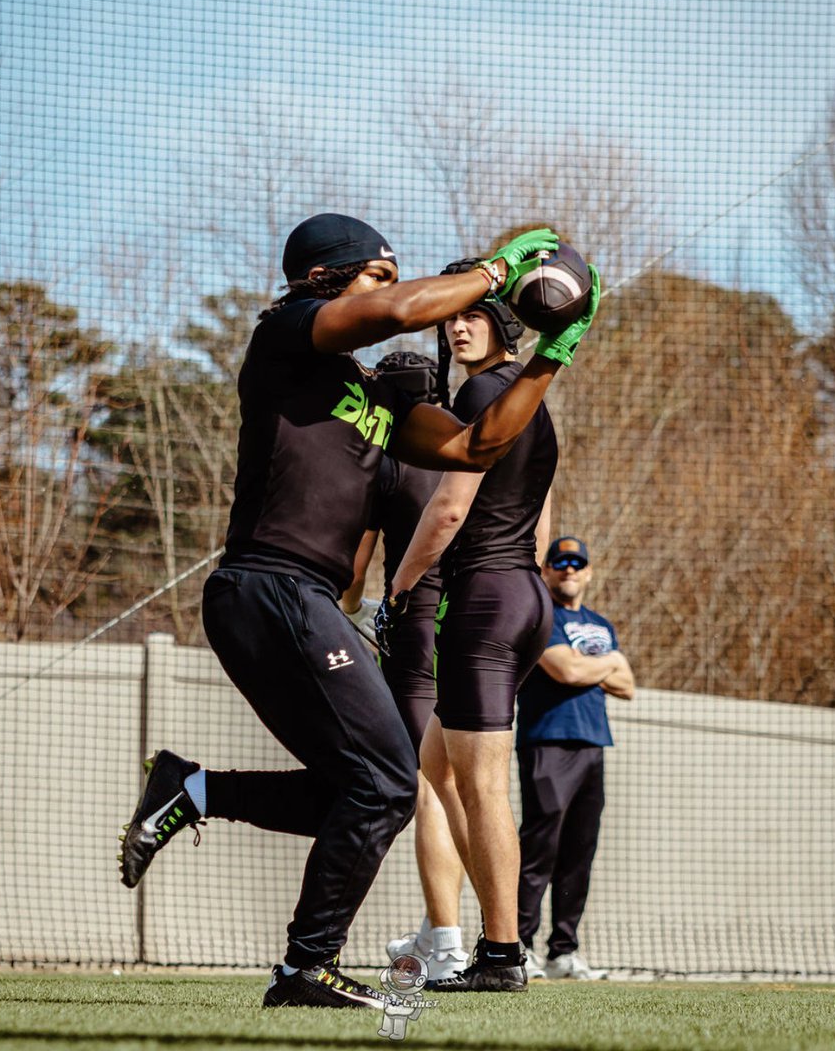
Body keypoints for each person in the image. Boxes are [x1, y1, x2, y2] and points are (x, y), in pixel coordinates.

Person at [117, 213, 596, 1010]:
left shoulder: (364, 390)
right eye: (381, 274)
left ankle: (189, 789)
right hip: (267, 585)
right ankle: (304, 970)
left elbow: (476, 448)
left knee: (368, 789)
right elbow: (405, 312)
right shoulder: (287, 333)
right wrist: (494, 271)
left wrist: (552, 355)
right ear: (324, 279)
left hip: (299, 600)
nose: (398, 291)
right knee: (384, 783)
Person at [377, 254, 599, 993]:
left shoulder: (480, 397)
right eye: (450, 317)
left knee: (481, 786)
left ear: (507, 324)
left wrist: (400, 589)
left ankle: (502, 955)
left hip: (484, 600)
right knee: (438, 768)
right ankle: (492, 940)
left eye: (471, 314)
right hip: (521, 596)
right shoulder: (523, 398)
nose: (456, 324)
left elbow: (448, 509)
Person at [341, 351, 469, 983]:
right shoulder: (477, 442)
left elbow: (352, 576)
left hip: (416, 626)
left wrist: (358, 613)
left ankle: (447, 944)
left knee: (428, 786)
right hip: (481, 622)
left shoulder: (385, 462)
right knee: (469, 781)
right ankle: (441, 929)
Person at [516, 536, 635, 982]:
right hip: (546, 742)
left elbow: (629, 686)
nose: (568, 569)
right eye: (560, 562)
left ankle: (563, 951)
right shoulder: (537, 616)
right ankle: (518, 946)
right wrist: (608, 664)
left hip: (593, 746)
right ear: (546, 570)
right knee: (538, 849)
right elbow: (566, 670)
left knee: (579, 853)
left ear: (588, 571)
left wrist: (600, 666)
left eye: (577, 563)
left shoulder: (600, 624)